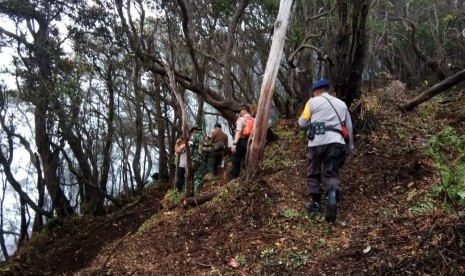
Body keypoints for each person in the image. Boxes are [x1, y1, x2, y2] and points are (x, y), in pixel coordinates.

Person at [298, 79, 354, 222]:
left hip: (317, 141)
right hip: (336, 141)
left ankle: (316, 203)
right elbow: (349, 125)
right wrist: (351, 145)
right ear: (328, 89)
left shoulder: (312, 102)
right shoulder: (341, 104)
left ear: (316, 91)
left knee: (313, 171)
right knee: (331, 171)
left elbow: (302, 123)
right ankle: (332, 194)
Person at [229, 105, 255, 179]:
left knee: (236, 160)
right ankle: (248, 177)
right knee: (246, 159)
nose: (240, 112)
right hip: (250, 142)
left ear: (245, 110)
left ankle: (233, 177)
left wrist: (234, 144)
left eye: (240, 110)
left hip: (241, 141)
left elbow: (238, 132)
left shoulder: (241, 119)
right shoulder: (254, 120)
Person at [189, 125, 207, 194]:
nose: (191, 134)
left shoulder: (193, 136)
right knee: (199, 177)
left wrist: (189, 159)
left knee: (190, 175)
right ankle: (196, 195)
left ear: (194, 130)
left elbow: (189, 147)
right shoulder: (205, 136)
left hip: (194, 159)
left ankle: (190, 193)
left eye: (191, 132)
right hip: (203, 160)